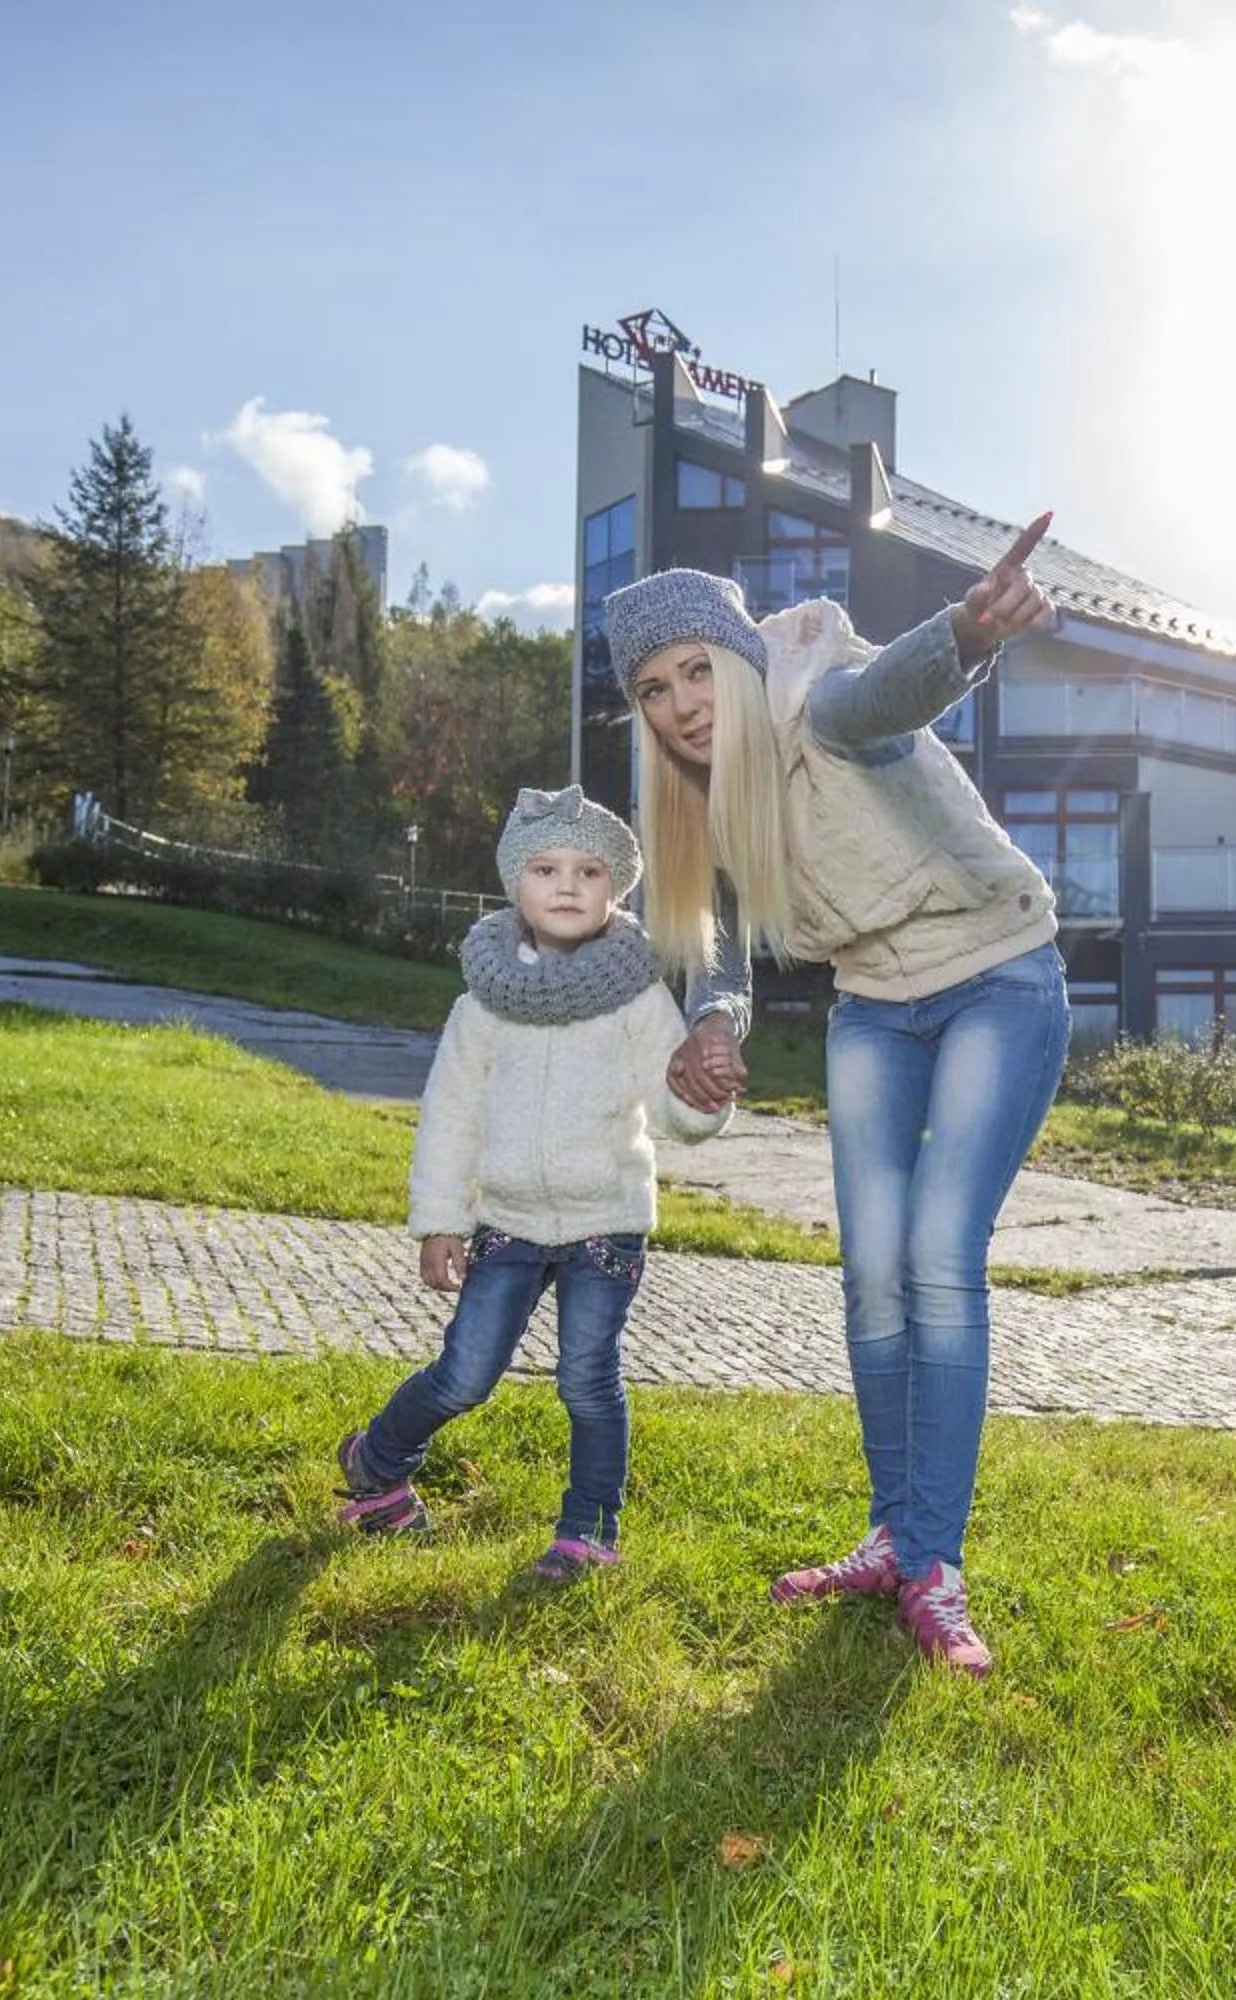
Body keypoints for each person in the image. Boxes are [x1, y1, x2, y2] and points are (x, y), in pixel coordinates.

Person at [601, 519, 1067, 1675]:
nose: (682, 704)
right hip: (873, 1004)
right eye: (655, 689)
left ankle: (936, 1567)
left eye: (697, 670)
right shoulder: (701, 795)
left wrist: (968, 631)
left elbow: (888, 693)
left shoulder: (817, 699)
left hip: (997, 978)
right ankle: (894, 1533)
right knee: (870, 1270)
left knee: (938, 1252)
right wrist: (716, 1020)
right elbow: (717, 944)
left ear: (737, 657)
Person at [334, 784, 731, 1576]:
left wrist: (702, 1094)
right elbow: (450, 1118)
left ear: (616, 889)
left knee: (589, 1381)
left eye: (589, 872)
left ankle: (588, 1532)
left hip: (605, 1226)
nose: (567, 886)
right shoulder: (483, 1004)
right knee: (464, 1375)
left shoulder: (638, 996)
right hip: (507, 1224)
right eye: (546, 869)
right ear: (515, 882)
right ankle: (377, 1461)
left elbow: (673, 1107)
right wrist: (440, 1221)